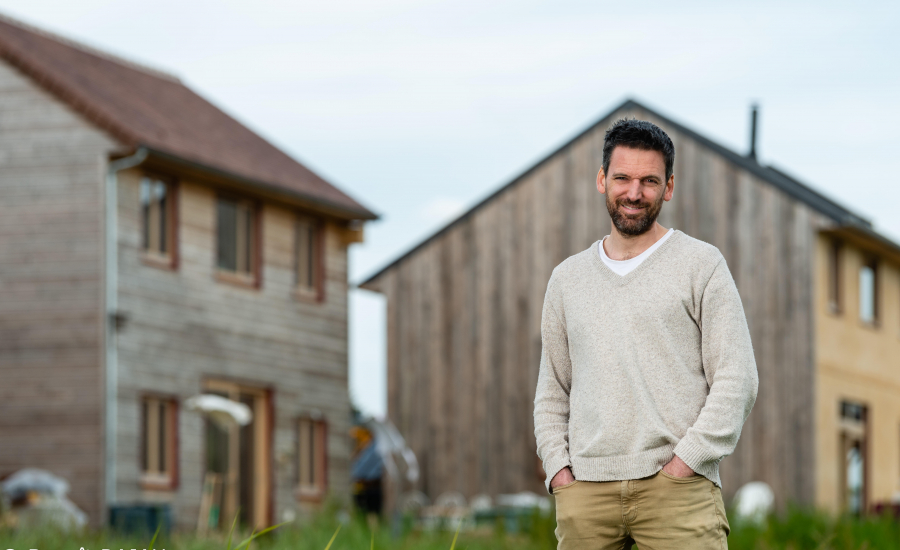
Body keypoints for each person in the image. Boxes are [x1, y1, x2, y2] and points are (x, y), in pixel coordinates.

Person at [533, 118, 759, 549]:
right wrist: (559, 473)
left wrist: (684, 464)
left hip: (677, 491)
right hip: (586, 493)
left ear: (669, 187)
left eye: (649, 181)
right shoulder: (567, 279)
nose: (634, 193)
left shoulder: (702, 265)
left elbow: (738, 379)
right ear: (602, 180)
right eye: (622, 178)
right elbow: (552, 392)